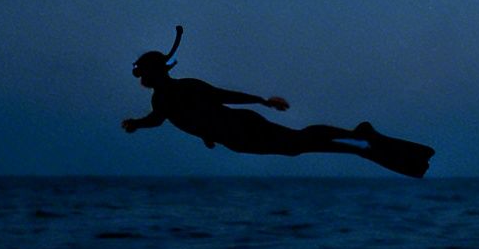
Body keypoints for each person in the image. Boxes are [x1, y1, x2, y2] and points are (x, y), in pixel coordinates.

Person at [122, 26, 433, 177]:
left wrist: (261, 101)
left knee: (297, 143)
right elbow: (186, 119)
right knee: (296, 145)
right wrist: (206, 134)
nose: (140, 78)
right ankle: (357, 141)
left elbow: (220, 98)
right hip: (235, 136)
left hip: (242, 130)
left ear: (155, 71)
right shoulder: (163, 99)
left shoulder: (176, 91)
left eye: (142, 72)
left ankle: (358, 141)